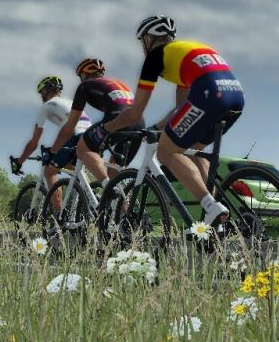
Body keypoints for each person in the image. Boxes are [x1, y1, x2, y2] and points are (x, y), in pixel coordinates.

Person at [103, 15, 243, 226]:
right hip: (235, 97)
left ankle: (211, 207)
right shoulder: (185, 51)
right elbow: (181, 109)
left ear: (149, 39)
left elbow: (135, 113)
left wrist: (107, 130)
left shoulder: (156, 56)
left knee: (166, 152)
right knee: (194, 148)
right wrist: (155, 128)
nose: (143, 47)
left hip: (209, 93)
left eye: (142, 42)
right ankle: (216, 214)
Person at [48, 58, 141, 188]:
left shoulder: (85, 86)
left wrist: (54, 151)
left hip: (116, 119)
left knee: (82, 148)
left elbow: (70, 126)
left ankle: (109, 188)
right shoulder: (117, 83)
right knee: (114, 173)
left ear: (84, 75)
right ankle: (122, 205)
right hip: (139, 123)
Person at [12, 76, 92, 210]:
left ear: (45, 91)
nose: (41, 96)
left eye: (41, 92)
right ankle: (90, 197)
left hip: (75, 134)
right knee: (73, 168)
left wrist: (19, 162)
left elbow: (33, 143)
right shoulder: (70, 101)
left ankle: (60, 216)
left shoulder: (46, 106)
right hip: (91, 134)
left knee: (49, 171)